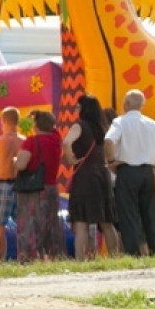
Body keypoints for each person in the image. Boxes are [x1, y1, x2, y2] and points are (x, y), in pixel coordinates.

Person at [104, 90, 155, 256]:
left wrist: (110, 162)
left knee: (129, 214)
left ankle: (133, 253)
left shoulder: (120, 122)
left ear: (127, 104)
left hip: (127, 171)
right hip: (147, 171)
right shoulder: (152, 124)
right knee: (150, 214)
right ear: (142, 105)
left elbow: (109, 140)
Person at [62, 94, 120, 260]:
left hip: (85, 175)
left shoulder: (79, 125)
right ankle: (115, 257)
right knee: (106, 222)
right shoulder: (103, 127)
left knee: (81, 222)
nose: (76, 109)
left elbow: (66, 142)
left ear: (84, 109)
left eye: (78, 106)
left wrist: (70, 158)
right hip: (102, 175)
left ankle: (81, 260)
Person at [14, 110, 65, 262]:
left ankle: (29, 257)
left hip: (34, 190)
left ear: (36, 125)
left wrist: (14, 160)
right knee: (50, 224)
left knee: (30, 224)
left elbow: (21, 165)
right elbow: (53, 127)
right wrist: (41, 116)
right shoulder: (56, 139)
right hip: (51, 188)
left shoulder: (32, 141)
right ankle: (52, 257)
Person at [0, 107, 24, 263]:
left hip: (2, 184)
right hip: (20, 185)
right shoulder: (24, 141)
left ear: (5, 121)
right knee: (22, 226)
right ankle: (25, 258)